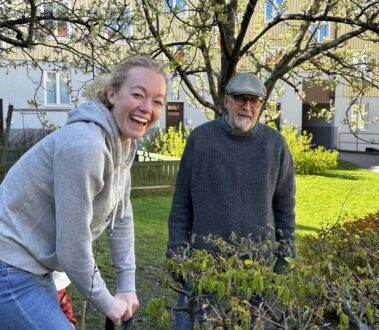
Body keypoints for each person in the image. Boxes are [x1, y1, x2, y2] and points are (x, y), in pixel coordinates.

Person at [0, 56, 167, 329]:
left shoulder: (122, 144)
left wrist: (126, 286)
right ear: (112, 94)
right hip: (9, 264)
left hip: (34, 267)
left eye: (158, 101)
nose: (147, 107)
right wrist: (106, 302)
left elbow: (121, 216)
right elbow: (72, 247)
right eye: (138, 94)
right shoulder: (85, 146)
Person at [167, 72, 296, 329]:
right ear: (226, 101)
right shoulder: (200, 140)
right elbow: (182, 202)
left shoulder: (275, 145)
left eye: (254, 101)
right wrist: (176, 248)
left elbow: (285, 207)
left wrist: (286, 254)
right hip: (204, 264)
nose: (247, 107)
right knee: (189, 325)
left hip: (256, 267)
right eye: (240, 99)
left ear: (261, 105)